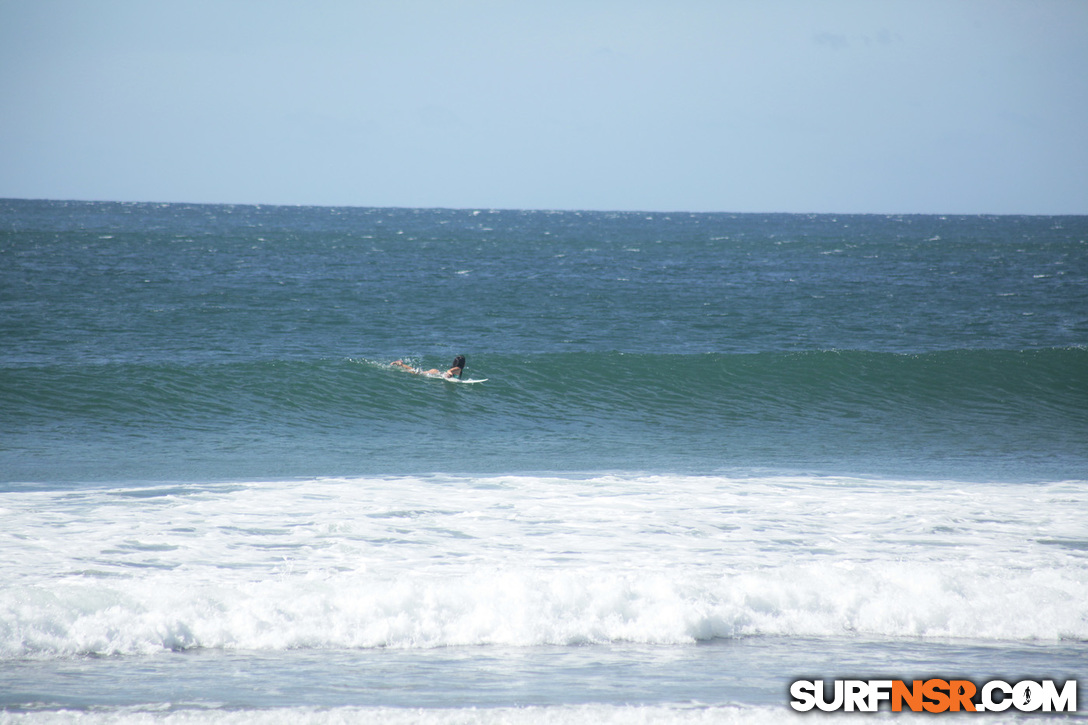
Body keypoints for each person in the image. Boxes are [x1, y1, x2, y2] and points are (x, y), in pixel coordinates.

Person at [392, 355, 465, 379]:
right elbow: (450, 371)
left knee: (416, 372)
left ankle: (400, 364)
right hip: (437, 373)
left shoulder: (458, 369)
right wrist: (449, 374)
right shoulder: (459, 368)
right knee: (416, 373)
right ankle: (400, 364)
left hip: (436, 372)